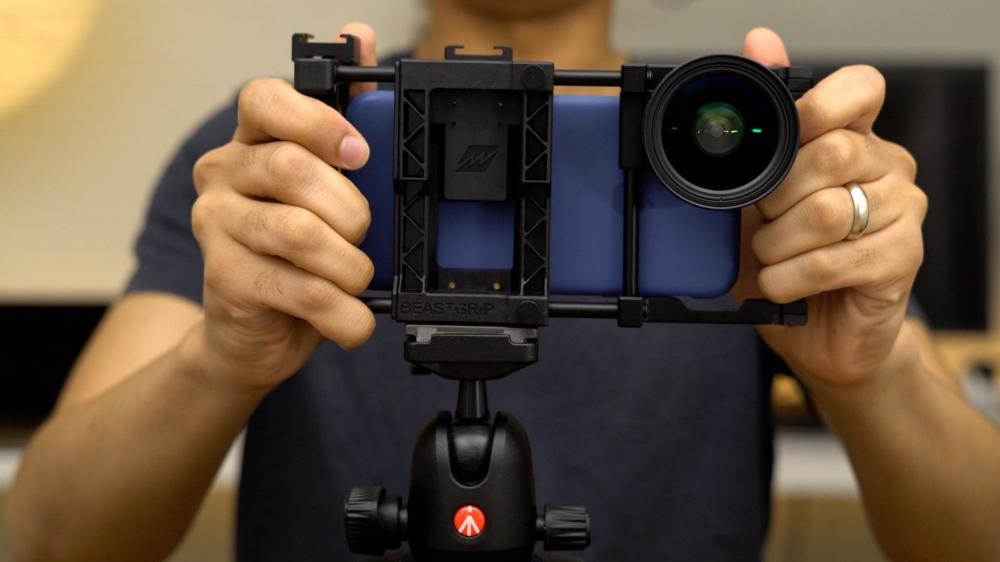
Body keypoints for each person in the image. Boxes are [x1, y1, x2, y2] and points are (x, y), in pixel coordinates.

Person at [8, 1, 1000, 560]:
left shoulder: (750, 159)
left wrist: (870, 373)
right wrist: (223, 357)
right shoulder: (286, 156)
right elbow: (44, 537)